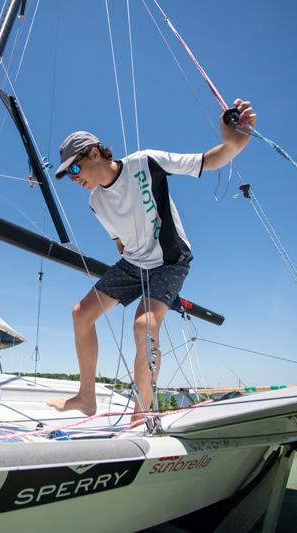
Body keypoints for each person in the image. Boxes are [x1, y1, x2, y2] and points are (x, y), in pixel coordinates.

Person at [47, 99, 256, 420]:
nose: (73, 178)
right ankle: (86, 397)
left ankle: (142, 411)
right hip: (133, 263)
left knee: (144, 325)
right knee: (81, 315)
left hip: (171, 261)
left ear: (93, 153)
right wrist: (128, 282)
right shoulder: (95, 202)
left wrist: (233, 144)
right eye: (67, 175)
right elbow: (120, 242)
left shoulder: (144, 162)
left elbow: (208, 161)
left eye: (74, 168)